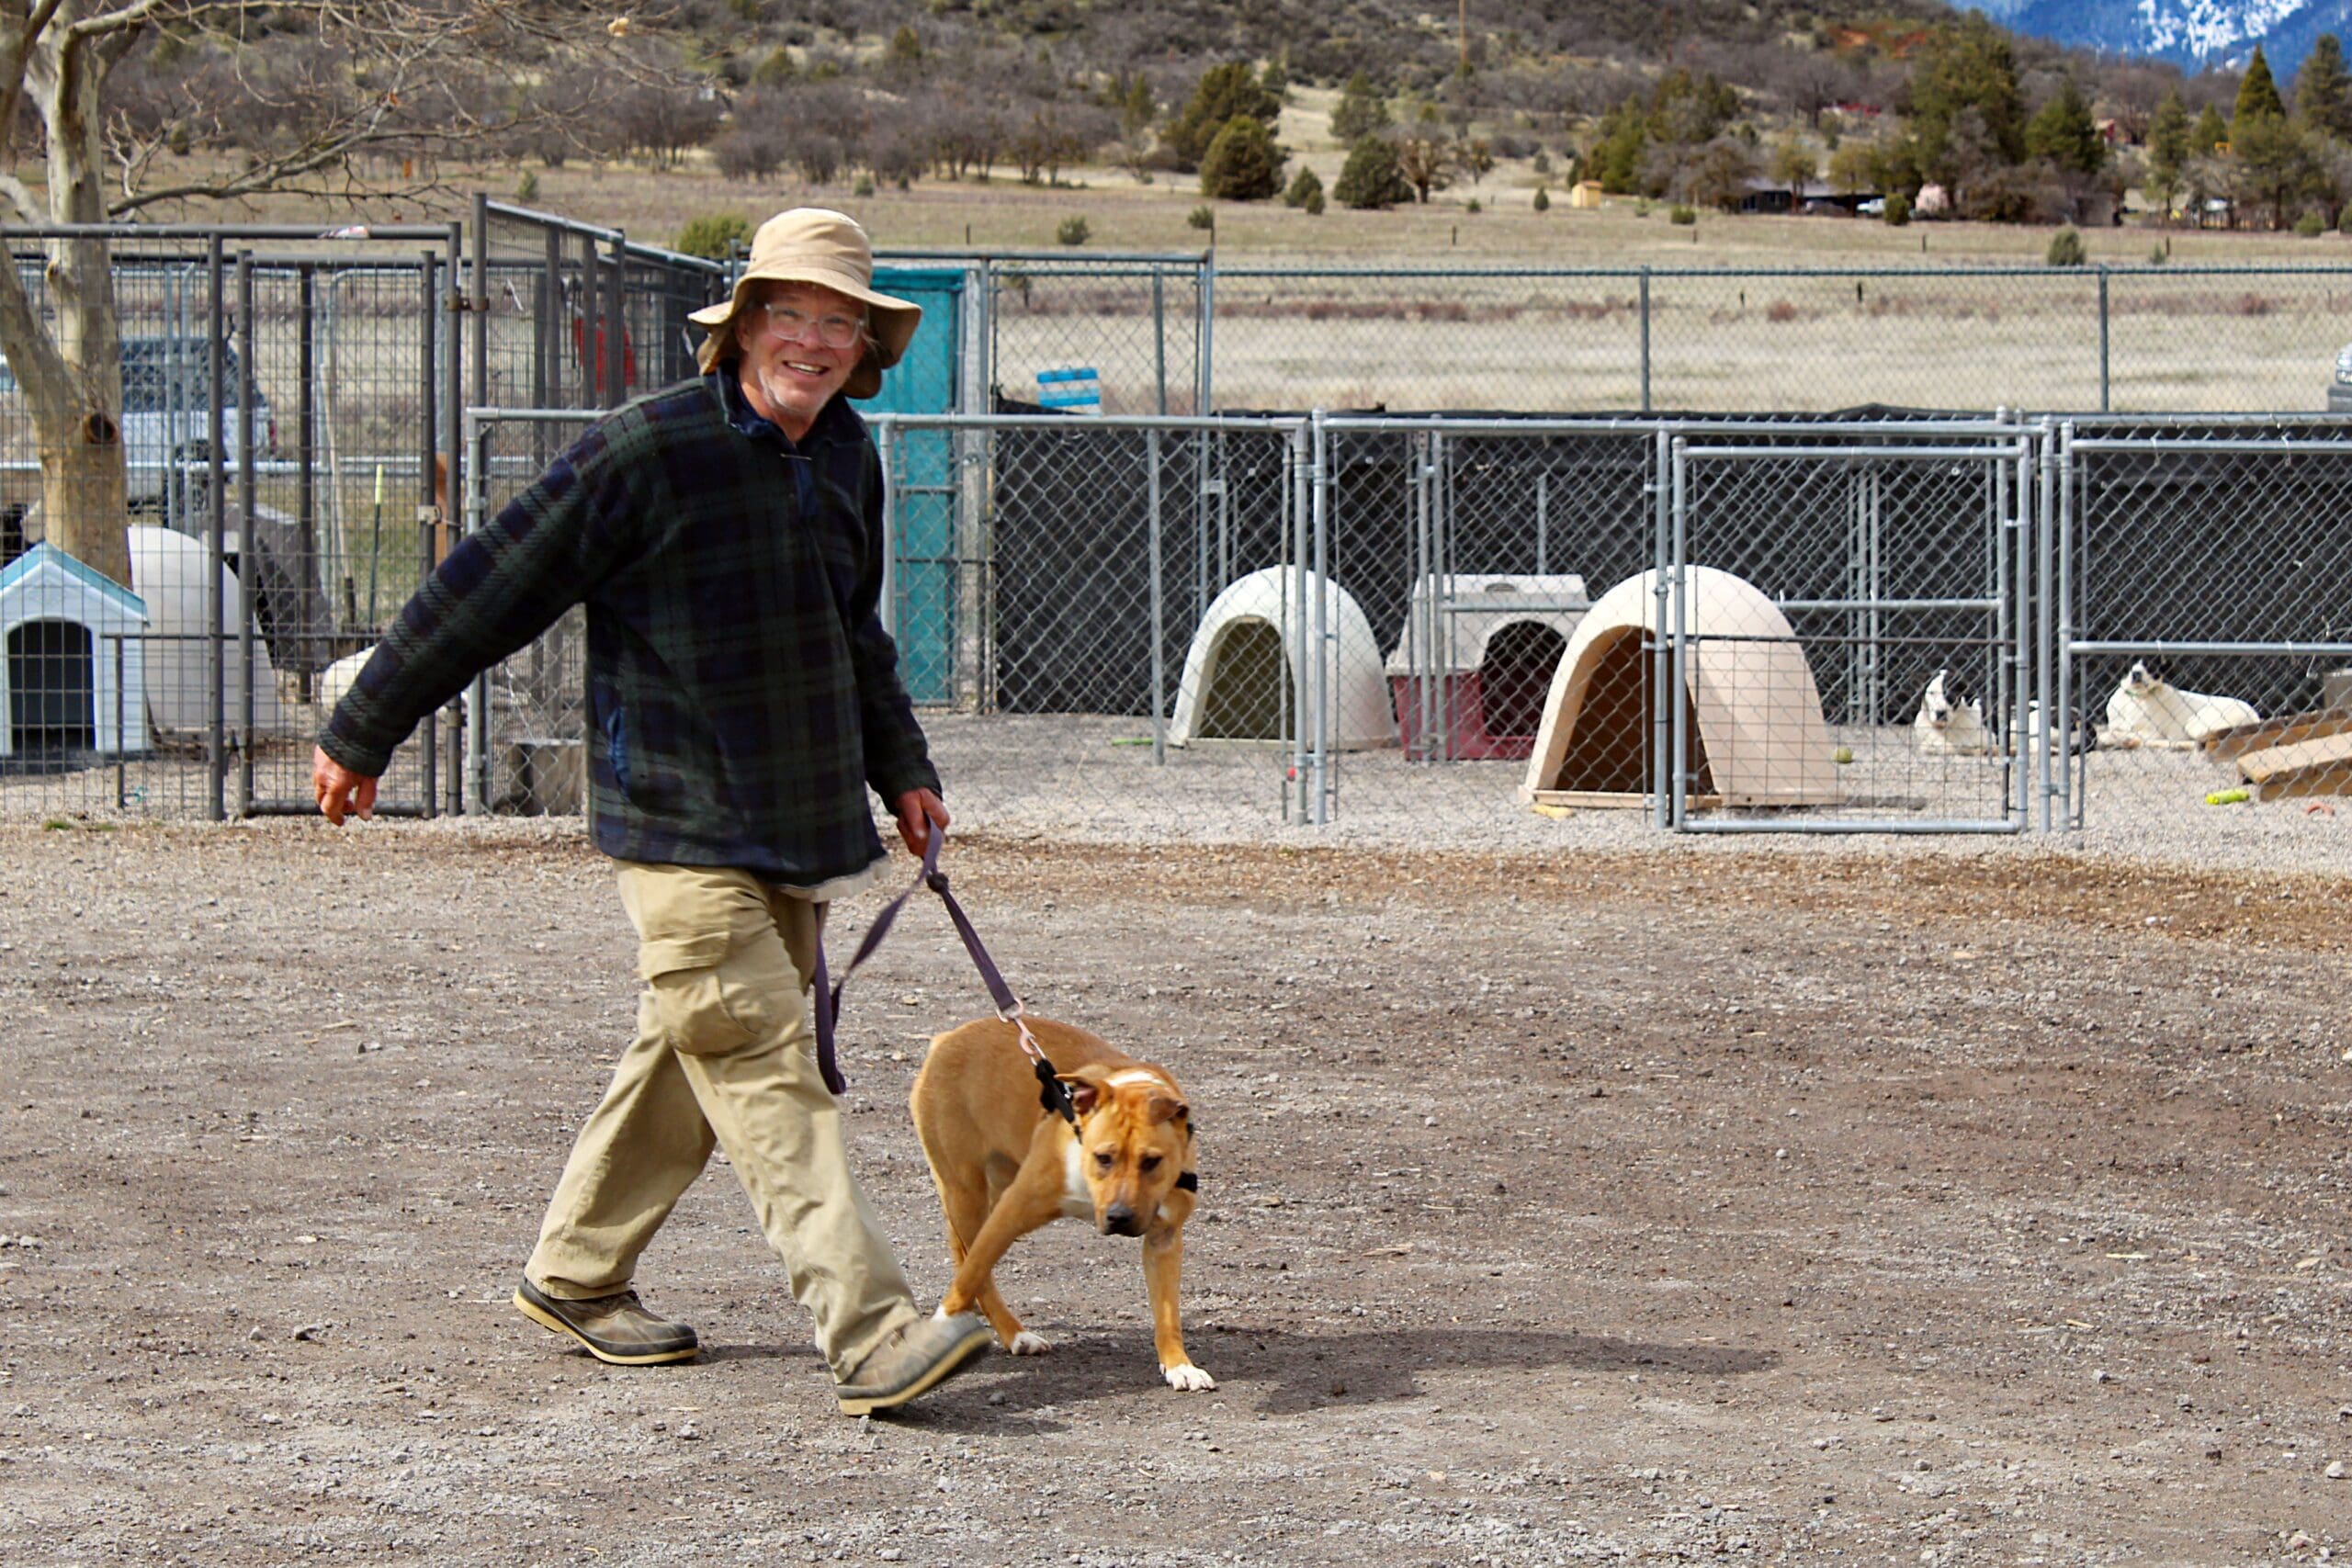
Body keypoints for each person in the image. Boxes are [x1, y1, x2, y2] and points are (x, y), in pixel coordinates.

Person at [311, 208, 993, 1416]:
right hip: (676, 817)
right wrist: (365, 726)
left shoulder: (846, 456)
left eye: (841, 322)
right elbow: (488, 587)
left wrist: (904, 768)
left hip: (791, 816)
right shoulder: (642, 450)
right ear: (744, 327)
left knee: (693, 1056)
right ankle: (876, 1331)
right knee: (762, 1056)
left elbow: (854, 636)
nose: (817, 341)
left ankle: (576, 1274)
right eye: (794, 314)